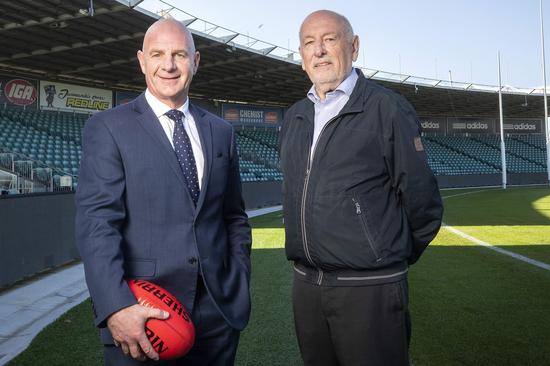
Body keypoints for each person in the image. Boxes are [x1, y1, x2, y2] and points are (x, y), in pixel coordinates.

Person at [75, 18, 251, 365]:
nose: (169, 65)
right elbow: (97, 224)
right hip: (141, 318)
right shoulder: (108, 127)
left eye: (179, 55)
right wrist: (116, 307)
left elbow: (234, 216)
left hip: (217, 316)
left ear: (196, 61)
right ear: (142, 61)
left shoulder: (220, 132)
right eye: (158, 54)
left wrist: (239, 277)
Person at [279, 10, 444, 366]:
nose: (319, 50)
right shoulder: (294, 117)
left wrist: (384, 257)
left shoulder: (387, 108)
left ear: (354, 47)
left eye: (329, 39)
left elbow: (423, 203)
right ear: (302, 56)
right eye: (309, 43)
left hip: (369, 289)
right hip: (307, 288)